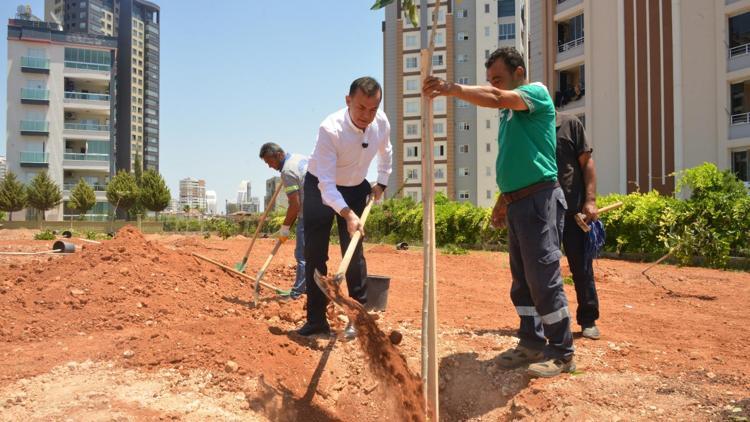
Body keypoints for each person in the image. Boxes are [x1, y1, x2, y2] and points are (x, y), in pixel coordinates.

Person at [423, 47, 575, 377]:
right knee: (522, 280)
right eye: (492, 79)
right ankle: (531, 342)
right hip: (519, 202)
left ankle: (562, 352)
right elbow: (514, 161)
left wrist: (453, 88)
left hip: (539, 199)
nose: (494, 85)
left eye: (499, 79)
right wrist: (502, 202)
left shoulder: (535, 93)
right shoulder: (509, 115)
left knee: (543, 277)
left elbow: (495, 97)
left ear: (519, 73)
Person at [296, 76, 392, 339]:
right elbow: (326, 185)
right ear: (348, 100)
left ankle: (358, 320)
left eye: (373, 109)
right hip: (320, 187)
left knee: (354, 256)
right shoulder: (330, 129)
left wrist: (381, 183)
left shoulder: (380, 122)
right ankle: (316, 321)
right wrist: (348, 214)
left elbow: (386, 152)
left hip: (355, 187)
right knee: (315, 254)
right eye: (361, 108)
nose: (367, 115)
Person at [555, 113, 601, 339]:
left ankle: (588, 319)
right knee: (542, 270)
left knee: (581, 268)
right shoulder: (531, 128)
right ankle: (549, 324)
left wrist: (590, 201)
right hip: (544, 213)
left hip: (574, 212)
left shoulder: (569, 124)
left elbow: (587, 162)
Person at [259, 142, 309, 299]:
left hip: (307, 214)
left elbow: (295, 205)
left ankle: (297, 292)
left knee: (302, 255)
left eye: (270, 162)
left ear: (279, 155)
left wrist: (285, 228)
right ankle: (311, 289)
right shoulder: (297, 157)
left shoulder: (287, 171)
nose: (269, 166)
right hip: (321, 208)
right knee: (314, 254)